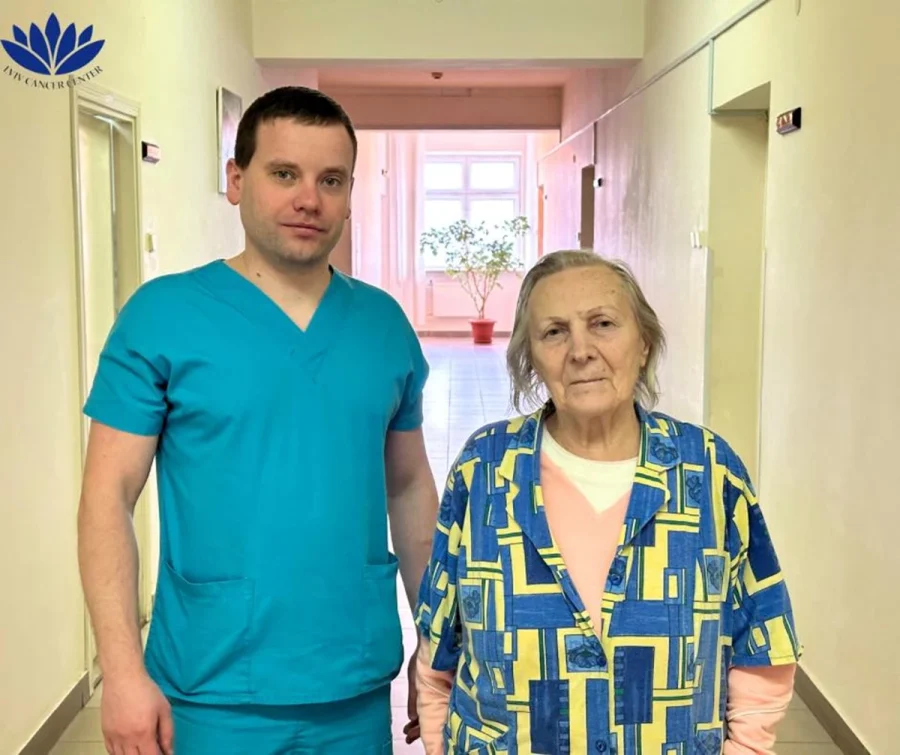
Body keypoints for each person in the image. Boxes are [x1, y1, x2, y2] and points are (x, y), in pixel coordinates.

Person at [77, 86, 438, 754]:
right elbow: (107, 497)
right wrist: (122, 673)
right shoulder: (162, 317)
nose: (310, 199)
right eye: (284, 173)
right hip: (211, 686)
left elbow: (410, 485)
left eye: (331, 179)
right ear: (237, 180)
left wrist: (433, 640)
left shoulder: (383, 325)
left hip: (352, 680)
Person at [413, 250, 803, 754]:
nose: (581, 350)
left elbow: (762, 640)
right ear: (531, 356)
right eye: (554, 331)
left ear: (644, 343)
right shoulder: (484, 468)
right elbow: (437, 651)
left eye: (602, 323)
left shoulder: (708, 470)